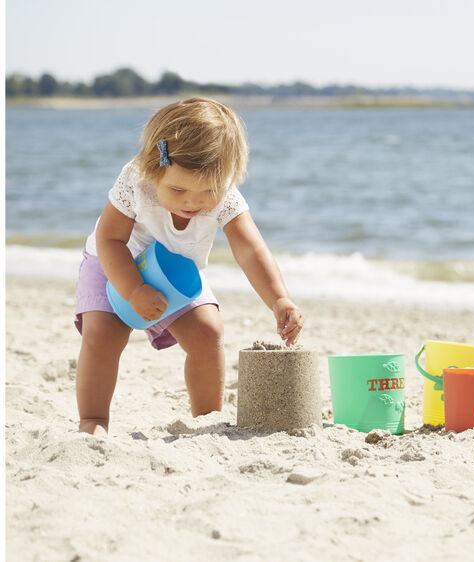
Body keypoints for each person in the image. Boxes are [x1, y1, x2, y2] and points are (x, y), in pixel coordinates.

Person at [74, 97, 303, 436]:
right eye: (178, 189)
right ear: (155, 168)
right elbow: (110, 240)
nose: (192, 202)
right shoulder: (136, 181)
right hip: (116, 262)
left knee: (208, 333)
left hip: (175, 273)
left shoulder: (226, 196)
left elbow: (251, 251)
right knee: (104, 336)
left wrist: (279, 299)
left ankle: (206, 419)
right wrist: (133, 289)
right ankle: (94, 420)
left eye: (207, 191)